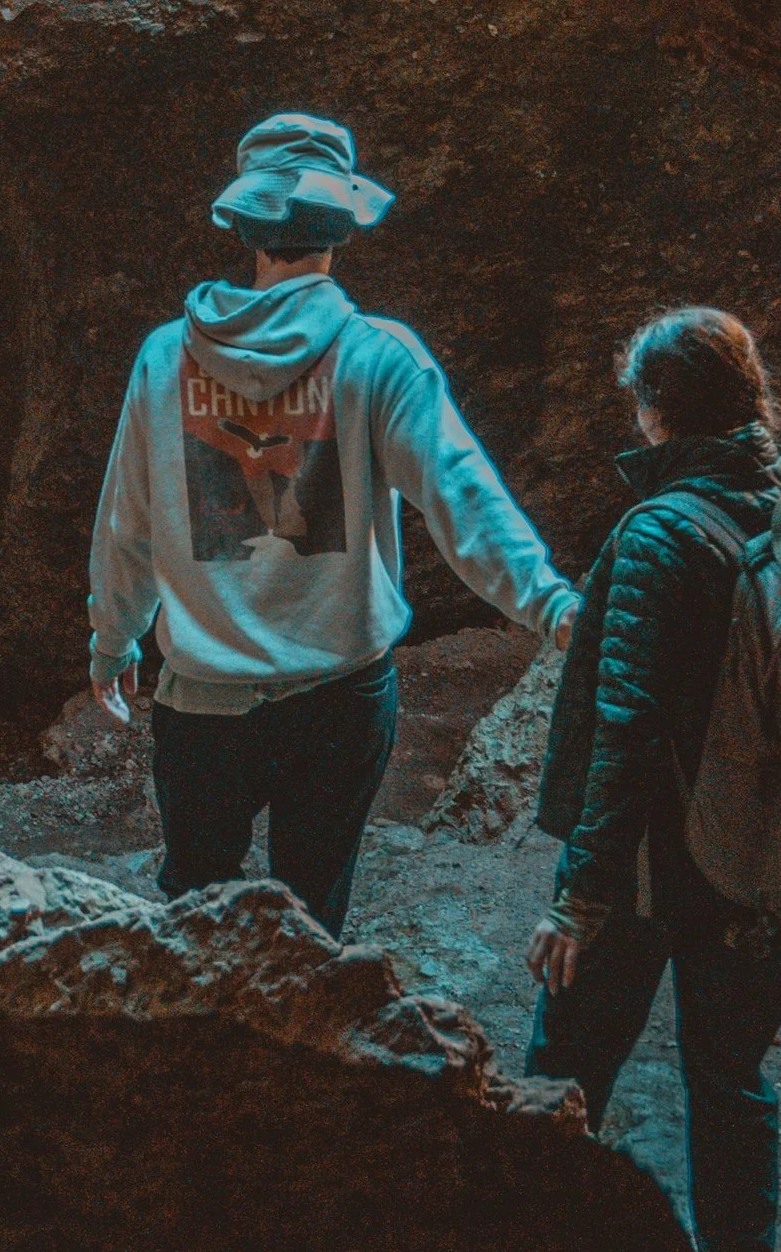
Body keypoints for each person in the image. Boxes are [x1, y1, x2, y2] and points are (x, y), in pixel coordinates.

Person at [85, 110, 578, 936]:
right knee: (313, 912)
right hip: (341, 695)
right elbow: (466, 502)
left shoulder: (164, 356)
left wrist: (113, 640)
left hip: (204, 703)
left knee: (194, 907)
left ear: (245, 224)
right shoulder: (380, 356)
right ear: (342, 230)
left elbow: (127, 523)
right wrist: (551, 606)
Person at [524, 306, 781, 1252]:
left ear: (653, 408)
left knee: (568, 1059)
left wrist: (579, 896)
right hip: (774, 853)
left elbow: (625, 730)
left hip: (656, 866)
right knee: (730, 1073)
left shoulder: (656, 535)